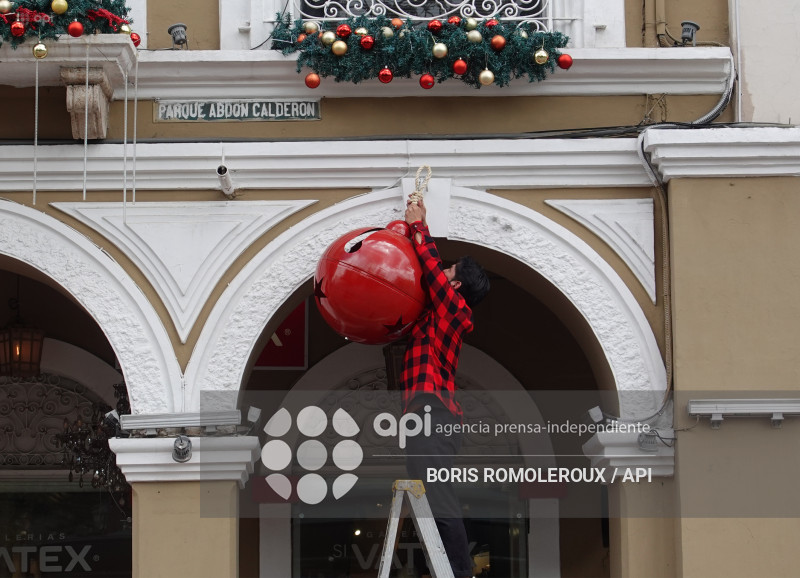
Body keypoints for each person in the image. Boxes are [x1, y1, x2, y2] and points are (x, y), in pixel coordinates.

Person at [401, 197, 490, 578]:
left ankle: (460, 572)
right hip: (427, 417)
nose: (441, 273)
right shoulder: (440, 314)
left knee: (437, 496)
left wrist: (418, 225)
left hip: (432, 415)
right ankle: (441, 567)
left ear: (455, 284)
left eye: (448, 271)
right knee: (426, 496)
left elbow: (433, 272)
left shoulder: (455, 309)